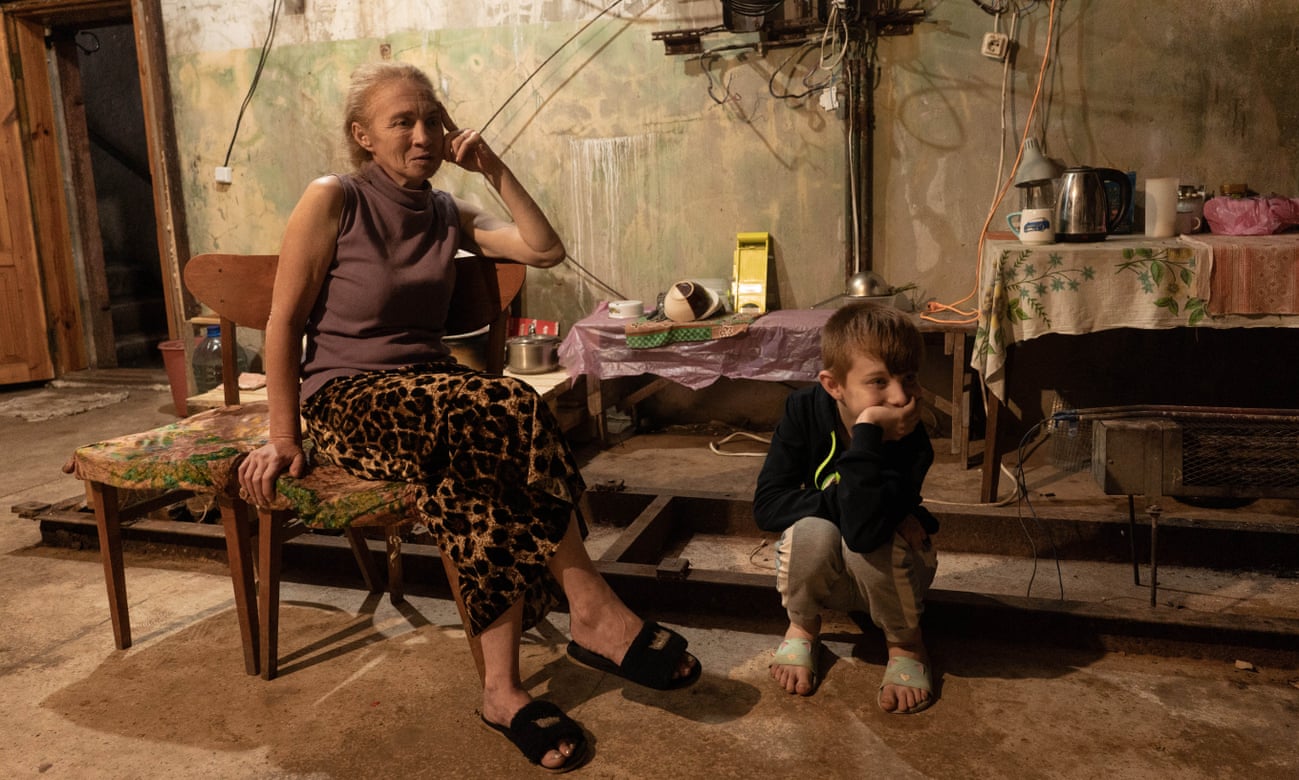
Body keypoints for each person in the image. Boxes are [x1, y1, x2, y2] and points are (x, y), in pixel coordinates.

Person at [236, 61, 699, 772]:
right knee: (505, 401)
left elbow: (545, 249)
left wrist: (493, 166)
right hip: (346, 399)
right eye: (402, 122)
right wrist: (281, 435)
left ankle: (502, 689)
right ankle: (591, 608)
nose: (424, 134)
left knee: (473, 476)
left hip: (434, 397)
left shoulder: (448, 211)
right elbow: (282, 320)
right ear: (363, 136)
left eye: (433, 120)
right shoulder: (335, 198)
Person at [753, 301, 939, 713]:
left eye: (908, 378)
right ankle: (802, 625)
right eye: (879, 381)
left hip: (894, 575)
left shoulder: (910, 435)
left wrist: (870, 428)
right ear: (833, 384)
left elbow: (864, 531)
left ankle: (906, 643)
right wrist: (834, 502)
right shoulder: (803, 410)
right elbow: (767, 506)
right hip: (834, 572)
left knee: (873, 538)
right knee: (811, 530)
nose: (899, 395)